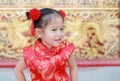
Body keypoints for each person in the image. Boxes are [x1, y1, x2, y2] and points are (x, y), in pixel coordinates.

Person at [14, 8, 78, 81]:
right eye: (54, 30)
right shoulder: (31, 53)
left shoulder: (65, 49)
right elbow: (18, 70)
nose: (59, 34)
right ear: (39, 33)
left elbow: (73, 67)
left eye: (61, 29)